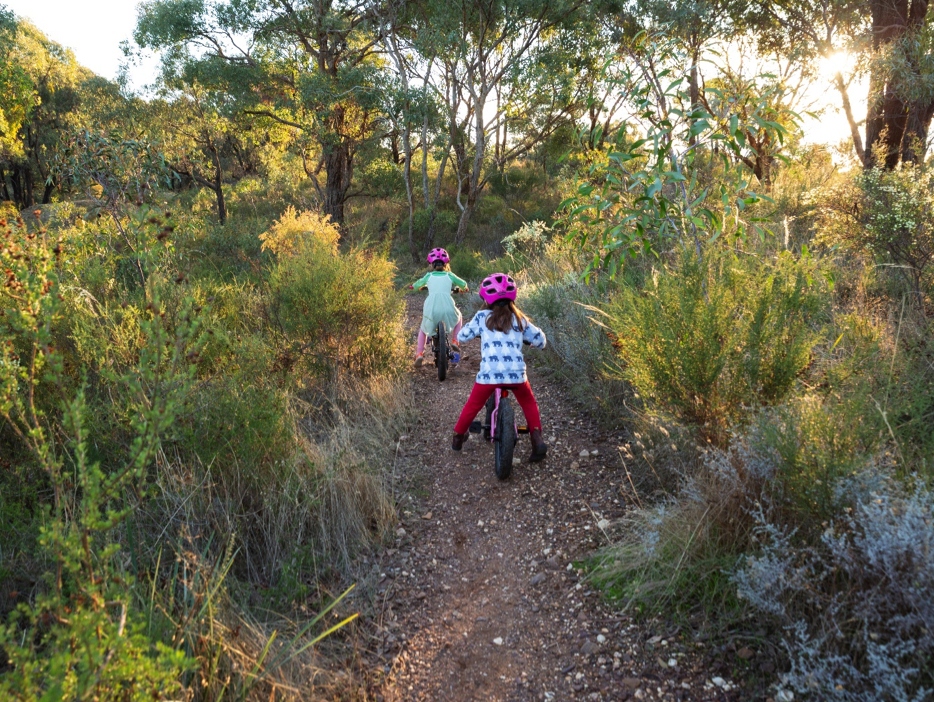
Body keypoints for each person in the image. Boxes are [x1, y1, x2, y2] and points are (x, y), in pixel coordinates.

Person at [451, 272, 548, 462]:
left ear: (486, 299)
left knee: (473, 404)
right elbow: (541, 340)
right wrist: (531, 342)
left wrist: (478, 334)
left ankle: (457, 437)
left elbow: (461, 336)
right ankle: (536, 439)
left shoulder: (481, 317)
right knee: (528, 402)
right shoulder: (519, 319)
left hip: (489, 375)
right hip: (516, 376)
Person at [410, 248, 469, 367]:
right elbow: (463, 284)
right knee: (459, 317)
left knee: (423, 327)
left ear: (431, 264)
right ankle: (455, 340)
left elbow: (416, 285)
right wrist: (464, 289)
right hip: (448, 308)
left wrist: (414, 287)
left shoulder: (428, 276)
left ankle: (419, 353)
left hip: (432, 308)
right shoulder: (450, 275)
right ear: (446, 264)